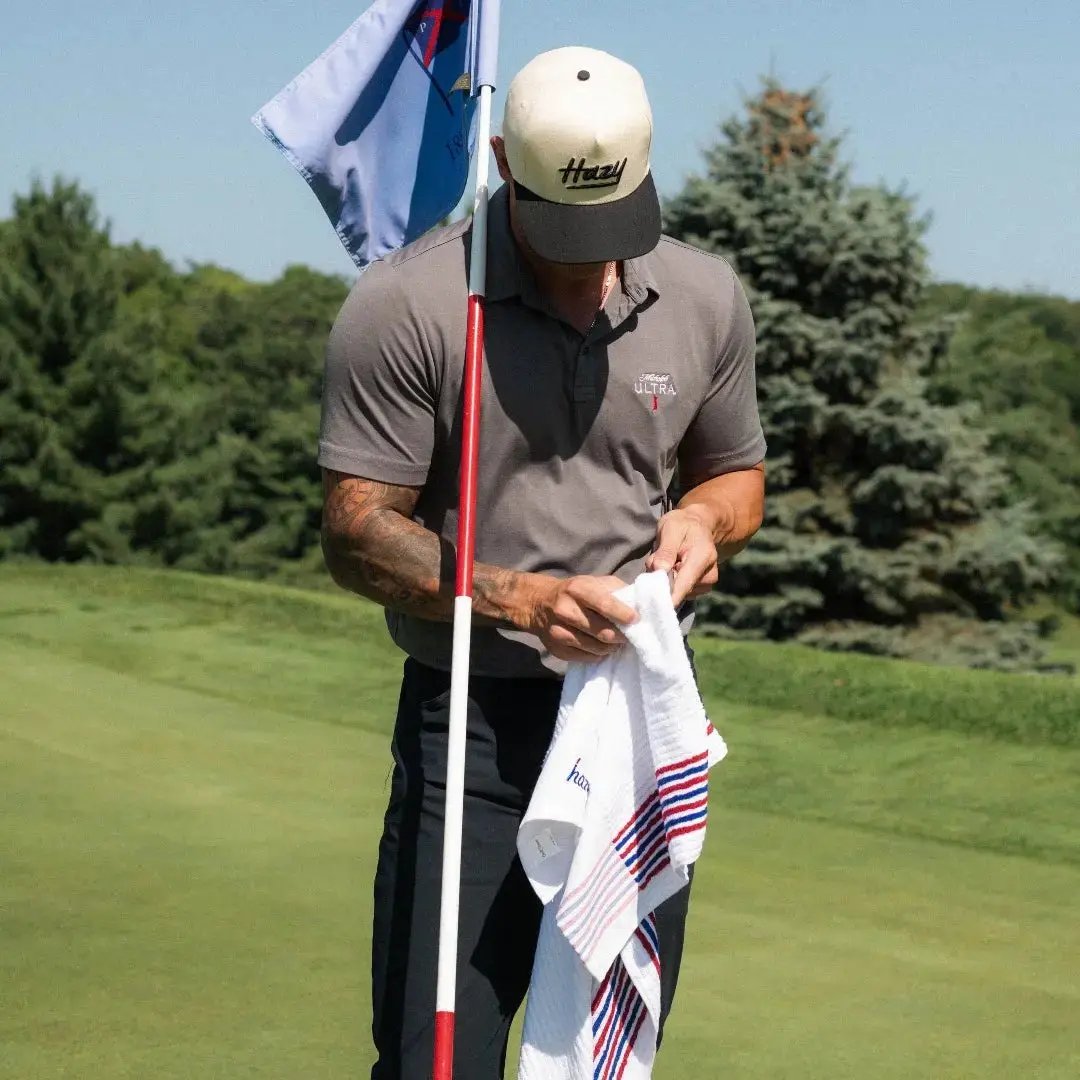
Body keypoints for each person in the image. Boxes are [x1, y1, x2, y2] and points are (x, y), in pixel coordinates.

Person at [318, 45, 766, 1080]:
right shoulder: (408, 304)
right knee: (437, 1061)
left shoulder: (704, 295)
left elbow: (735, 478)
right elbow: (356, 530)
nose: (586, 260)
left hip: (639, 720)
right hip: (471, 724)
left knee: (604, 1054)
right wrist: (513, 595)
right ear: (502, 163)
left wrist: (704, 523)